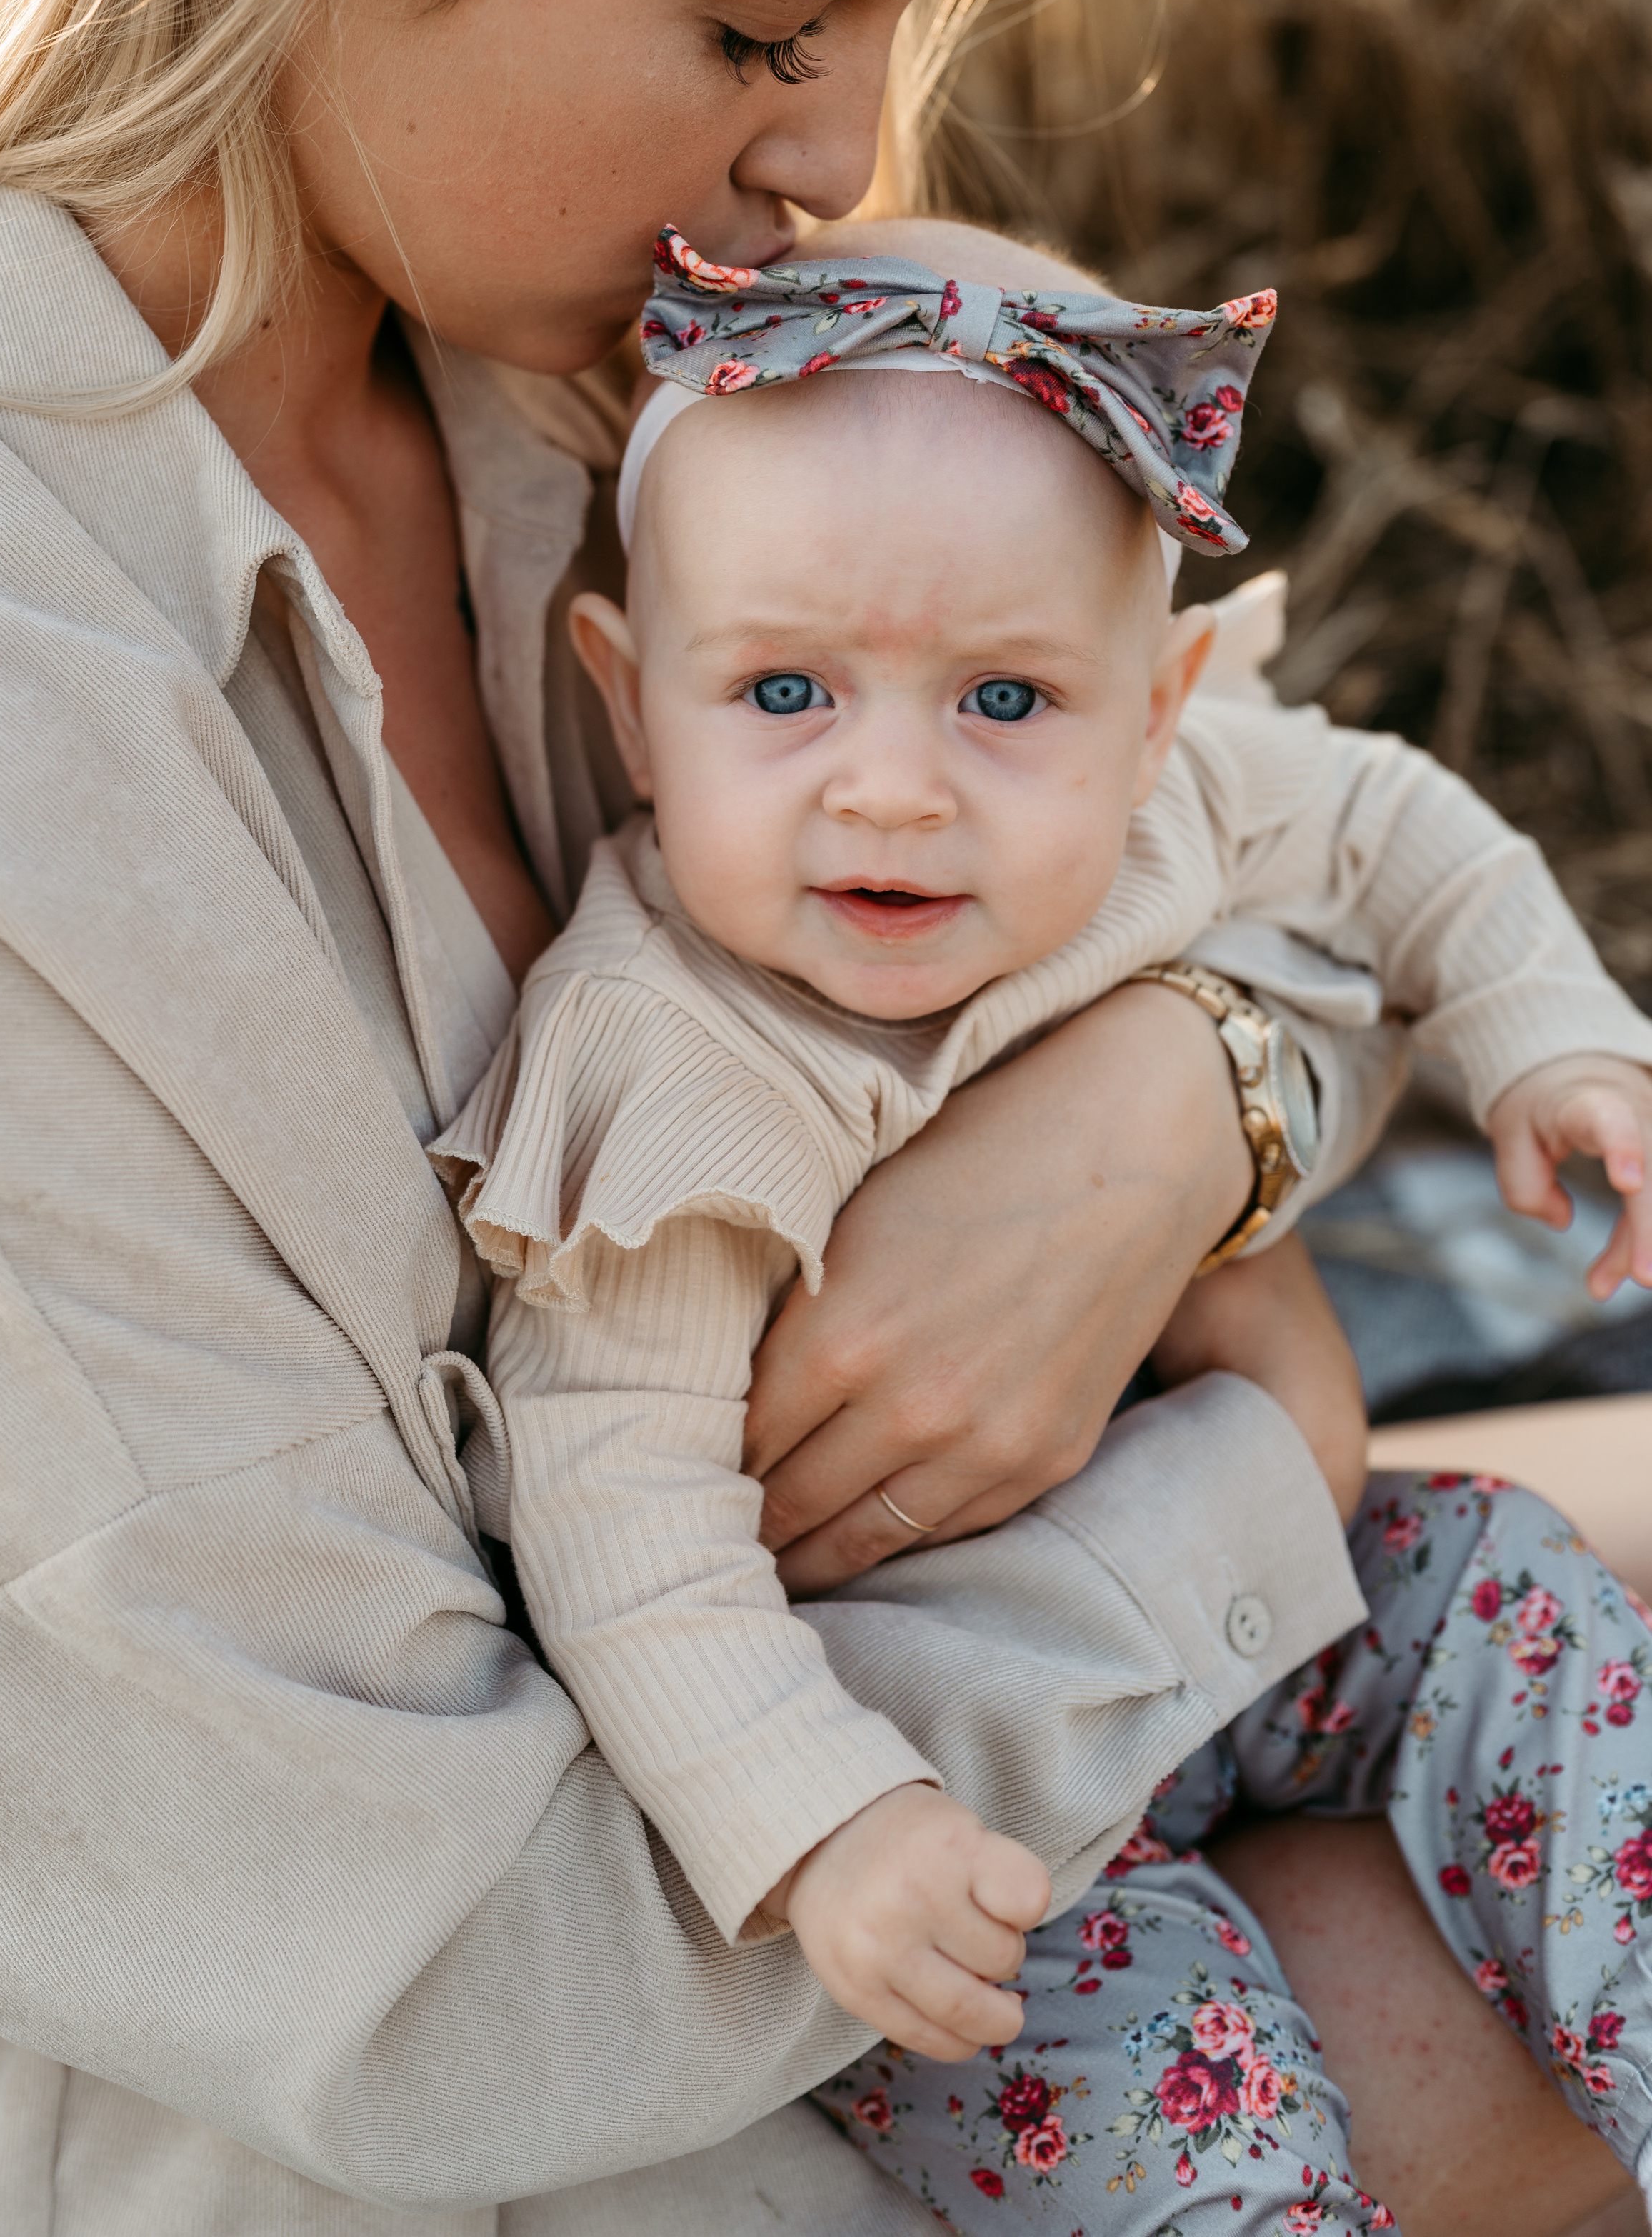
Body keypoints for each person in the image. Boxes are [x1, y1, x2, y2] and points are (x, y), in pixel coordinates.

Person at [0, 0, 1642, 2229]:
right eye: (765, 25)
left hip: (895, 1884)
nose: (837, 158)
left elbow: (1218, 804)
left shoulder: (598, 388)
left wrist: (1185, 1103)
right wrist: (1248, 1470)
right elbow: (449, 1979)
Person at [432, 219, 1652, 2226]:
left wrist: (1544, 1034)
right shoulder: (663, 1073)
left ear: (1159, 707)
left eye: (1004, 697)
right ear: (630, 698)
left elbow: (1389, 820)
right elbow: (618, 1531)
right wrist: (827, 1834)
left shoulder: (1160, 812)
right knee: (1176, 2097)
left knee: (1514, 1593)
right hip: (975, 1780)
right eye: (788, 692)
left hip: (1251, 1579)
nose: (895, 788)